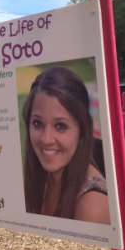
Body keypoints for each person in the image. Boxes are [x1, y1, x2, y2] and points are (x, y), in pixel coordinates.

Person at [22, 66, 110, 225]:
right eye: (37, 123)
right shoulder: (41, 179)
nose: (46, 139)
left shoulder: (92, 206)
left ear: (82, 129)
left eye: (61, 126)